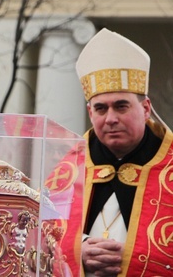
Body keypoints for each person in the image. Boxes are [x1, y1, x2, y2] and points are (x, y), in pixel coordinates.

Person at [67, 28, 173, 276]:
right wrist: (78, 250)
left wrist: (135, 257)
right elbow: (41, 235)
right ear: (90, 113)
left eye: (121, 106)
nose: (111, 118)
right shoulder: (68, 169)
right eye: (101, 109)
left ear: (146, 108)